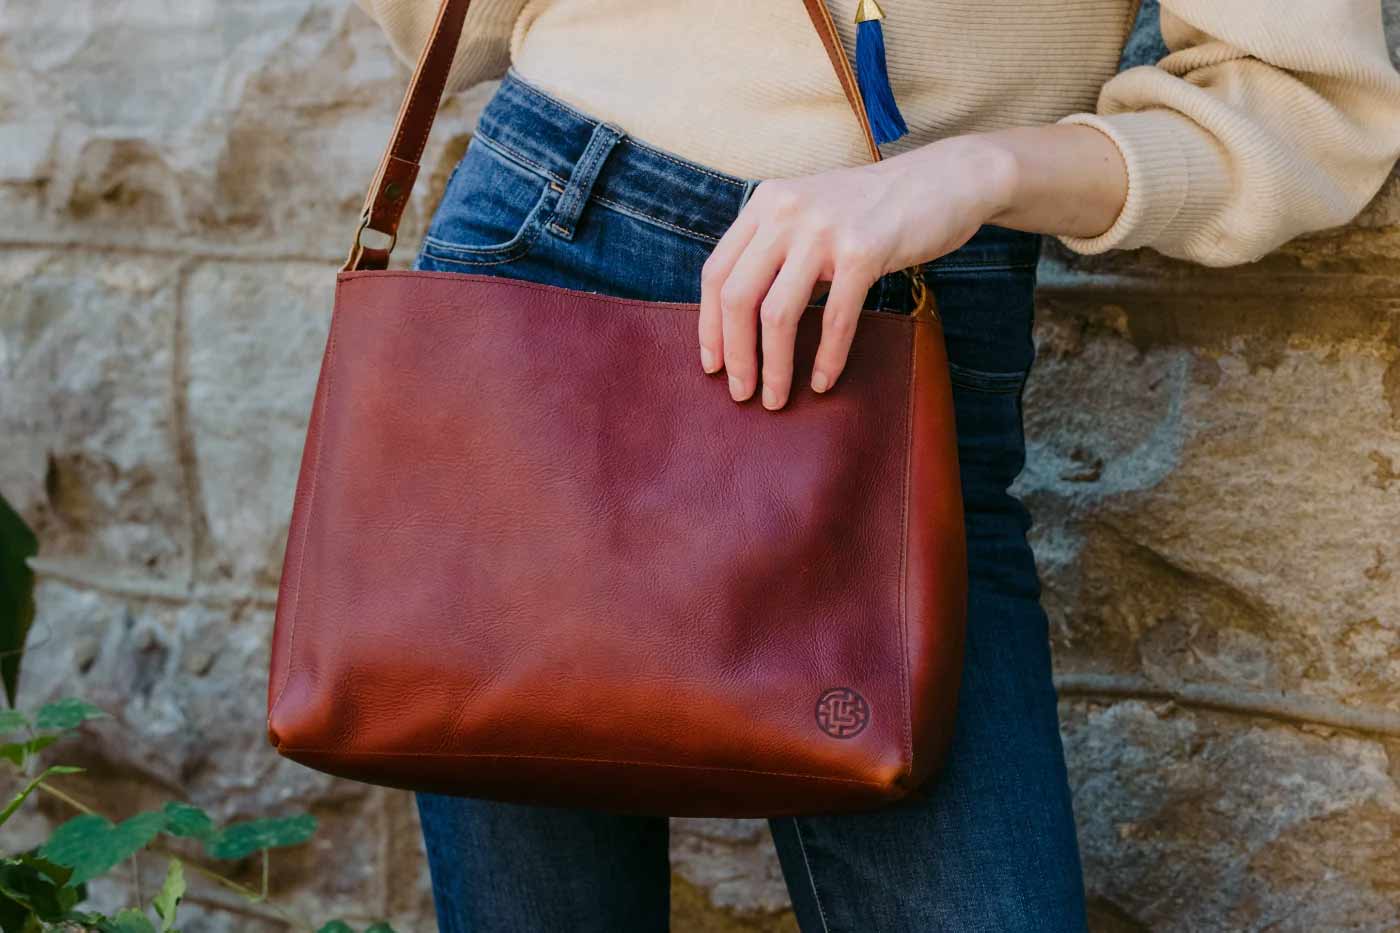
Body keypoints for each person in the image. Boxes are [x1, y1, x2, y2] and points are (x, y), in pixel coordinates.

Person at [353, 1, 1400, 930]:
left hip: (908, 319)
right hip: (556, 255)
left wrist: (979, 167)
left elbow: (1302, 109)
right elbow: (450, 25)